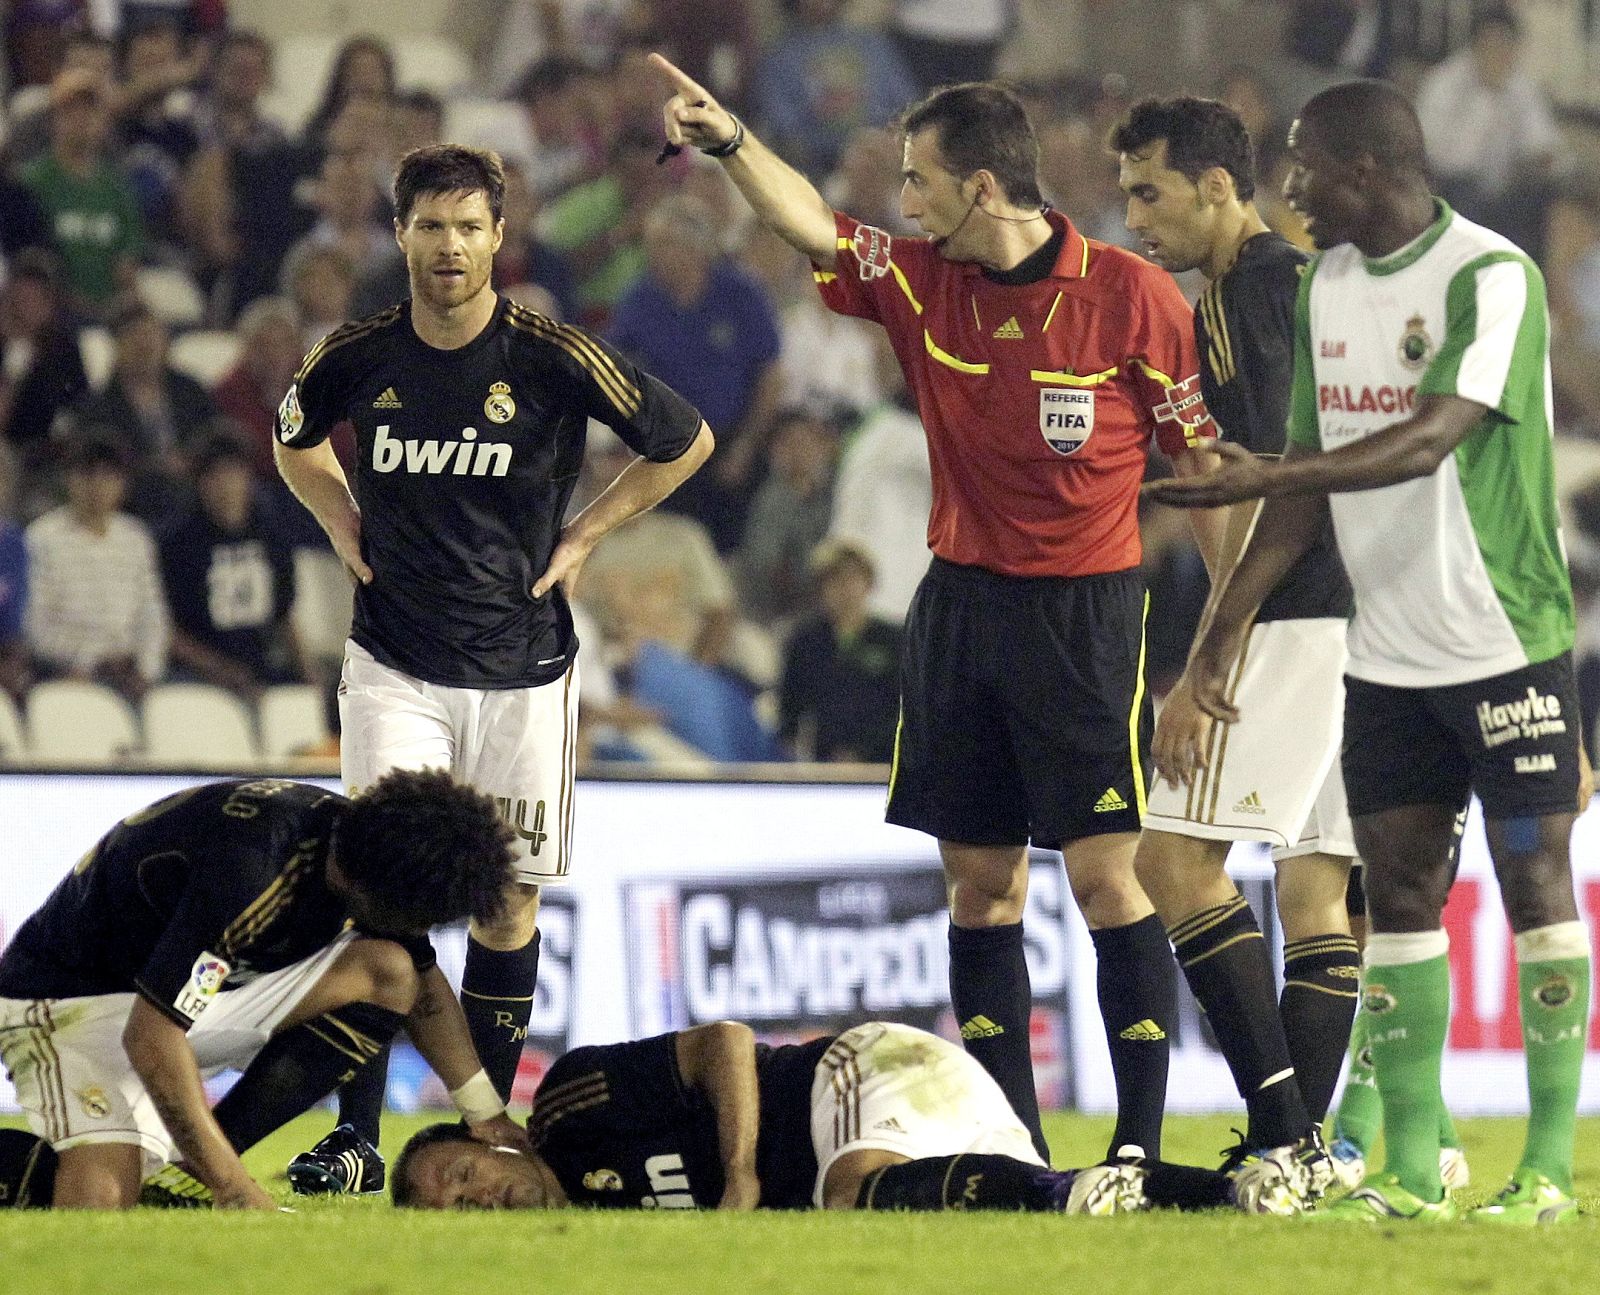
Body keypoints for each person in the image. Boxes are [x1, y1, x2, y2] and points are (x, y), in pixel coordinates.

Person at [651, 55, 1226, 1166]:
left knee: (1108, 878)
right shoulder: (920, 281)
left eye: (918, 181)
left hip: (1086, 619)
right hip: (960, 611)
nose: (903, 203)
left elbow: (1200, 469)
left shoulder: (1131, 295)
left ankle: (1139, 1148)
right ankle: (1012, 1145)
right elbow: (814, 226)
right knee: (979, 887)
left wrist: (1218, 644)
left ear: (981, 186)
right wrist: (728, 142)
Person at [1145, 80, 1592, 1226]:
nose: (1285, 187)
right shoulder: (1327, 288)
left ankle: (1543, 1171)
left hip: (1503, 636)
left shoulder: (1490, 275)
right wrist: (1221, 630)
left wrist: (1265, 477)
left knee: (1535, 884)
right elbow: (1302, 481)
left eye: (1302, 164)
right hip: (1383, 653)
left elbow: (1430, 436)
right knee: (1392, 897)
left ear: (1367, 166)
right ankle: (1400, 1170)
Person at [274, 142, 713, 1192]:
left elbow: (684, 439)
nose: (450, 246)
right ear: (400, 234)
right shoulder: (358, 353)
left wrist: (589, 533)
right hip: (396, 664)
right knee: (382, 896)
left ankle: (481, 1128)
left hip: (523, 669)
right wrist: (339, 519)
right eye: (431, 225)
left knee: (506, 906)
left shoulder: (552, 353)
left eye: (469, 226)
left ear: (498, 238)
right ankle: (357, 1134)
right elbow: (294, 437)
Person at [1110, 96, 1352, 1188]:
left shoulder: (1243, 291)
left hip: (1299, 606)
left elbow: (1267, 484)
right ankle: (1288, 1157)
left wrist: (1208, 651)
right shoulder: (1312, 285)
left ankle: (1286, 1132)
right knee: (1312, 888)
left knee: (1171, 859)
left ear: (1218, 184)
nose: (1134, 218)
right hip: (1375, 615)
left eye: (1149, 192)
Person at [0, 771, 526, 1209]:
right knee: (103, 1199)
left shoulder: (362, 843)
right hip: (71, 1005)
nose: (421, 926)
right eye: (421, 917)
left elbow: (424, 988)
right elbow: (151, 1039)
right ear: (382, 894)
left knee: (390, 969)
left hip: (177, 1000)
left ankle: (192, 1170)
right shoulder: (249, 876)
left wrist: (488, 1117)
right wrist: (236, 1188)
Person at [389, 1019, 1309, 1215]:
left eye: (462, 1175)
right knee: (1008, 1217)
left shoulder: (569, 1106)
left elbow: (725, 1042)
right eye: (452, 1210)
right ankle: (1237, 1190)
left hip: (862, 1073)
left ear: (487, 1140)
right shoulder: (585, 1239)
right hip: (928, 1145)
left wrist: (743, 1173)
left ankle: (1074, 1188)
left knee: (850, 1191)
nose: (476, 1201)